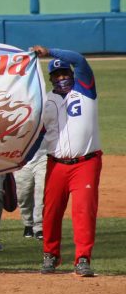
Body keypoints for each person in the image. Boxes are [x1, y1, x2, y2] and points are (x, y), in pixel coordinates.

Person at [30, 46, 102, 277]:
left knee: (83, 211)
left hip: (86, 163)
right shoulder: (46, 101)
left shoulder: (85, 90)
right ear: (51, 78)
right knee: (50, 211)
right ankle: (50, 255)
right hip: (56, 164)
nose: (62, 78)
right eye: (57, 75)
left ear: (72, 75)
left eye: (65, 74)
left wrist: (49, 51)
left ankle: (82, 258)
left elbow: (79, 59)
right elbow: (38, 134)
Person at [15, 147, 46, 239]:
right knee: (23, 196)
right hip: (22, 159)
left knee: (42, 192)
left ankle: (39, 227)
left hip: (43, 157)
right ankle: (28, 223)